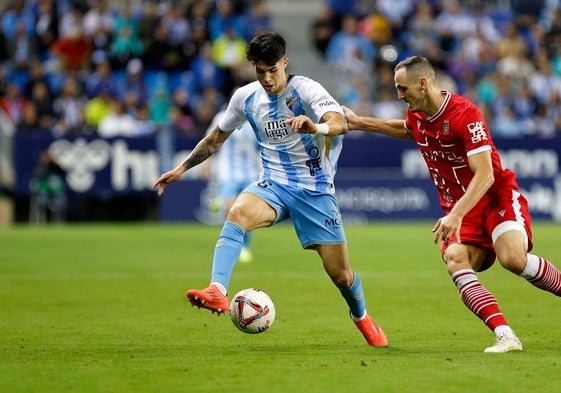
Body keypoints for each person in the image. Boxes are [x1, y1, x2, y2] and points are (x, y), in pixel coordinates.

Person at [153, 31, 387, 347]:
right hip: (273, 184)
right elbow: (214, 140)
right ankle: (217, 290)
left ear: (285, 63)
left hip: (315, 190)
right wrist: (181, 169)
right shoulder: (245, 98)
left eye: (272, 70)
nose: (266, 78)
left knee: (341, 275)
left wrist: (314, 125)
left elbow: (341, 122)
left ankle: (361, 316)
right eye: (259, 71)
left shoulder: (306, 89)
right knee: (236, 211)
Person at [343, 55, 561, 353]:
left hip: (494, 196)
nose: (399, 95)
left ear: (423, 83)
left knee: (513, 259)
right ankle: (506, 335)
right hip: (461, 210)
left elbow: (484, 174)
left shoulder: (465, 113)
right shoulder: (419, 115)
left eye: (403, 88)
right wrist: (358, 123)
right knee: (456, 259)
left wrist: (456, 214)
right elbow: (407, 129)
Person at [201, 108, 260, 263]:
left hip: (250, 172)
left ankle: (244, 246)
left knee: (248, 212)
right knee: (230, 209)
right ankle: (233, 243)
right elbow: (211, 139)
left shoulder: (256, 117)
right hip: (228, 173)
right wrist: (206, 164)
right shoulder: (222, 116)